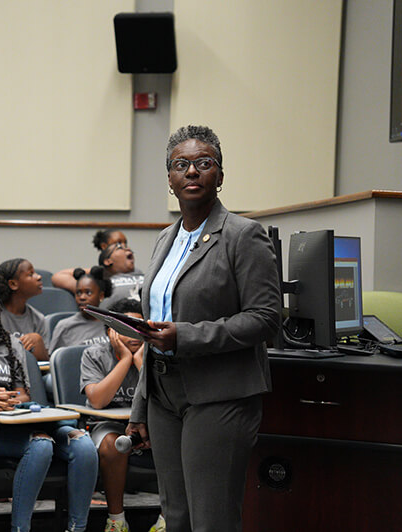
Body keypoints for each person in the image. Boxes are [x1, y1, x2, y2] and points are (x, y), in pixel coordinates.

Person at [126, 125, 281, 532]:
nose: (192, 171)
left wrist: (186, 336)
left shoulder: (243, 235)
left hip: (219, 394)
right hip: (163, 395)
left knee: (211, 520)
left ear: (220, 175)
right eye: (181, 165)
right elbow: (153, 330)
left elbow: (266, 318)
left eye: (204, 163)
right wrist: (140, 406)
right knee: (175, 517)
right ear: (170, 179)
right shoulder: (165, 238)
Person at [0, 266, 99, 532]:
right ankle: (20, 528)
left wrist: (7, 399)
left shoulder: (11, 343)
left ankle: (77, 528)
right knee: (41, 445)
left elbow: (24, 394)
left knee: (83, 444)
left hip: (16, 418)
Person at [80, 298, 165, 532]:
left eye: (139, 328)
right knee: (112, 444)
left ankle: (166, 520)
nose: (134, 334)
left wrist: (140, 362)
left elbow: (163, 397)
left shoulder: (157, 354)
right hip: (108, 424)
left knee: (176, 439)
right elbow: (98, 400)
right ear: (112, 331)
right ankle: (116, 520)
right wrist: (125, 360)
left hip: (152, 424)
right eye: (127, 328)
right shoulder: (94, 354)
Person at [0, 258, 50, 361]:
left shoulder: (38, 318)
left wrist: (39, 345)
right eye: (31, 274)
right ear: (13, 284)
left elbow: (45, 364)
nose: (39, 277)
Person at [48, 267, 112, 353]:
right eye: (78, 293)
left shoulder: (112, 323)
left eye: (88, 293)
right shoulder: (65, 326)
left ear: (101, 296)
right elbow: (55, 357)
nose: (82, 297)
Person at [51, 229, 129, 292]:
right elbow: (58, 277)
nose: (124, 247)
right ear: (104, 246)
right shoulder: (97, 277)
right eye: (118, 243)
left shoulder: (134, 272)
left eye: (125, 243)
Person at [97, 242, 144, 310]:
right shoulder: (105, 283)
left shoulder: (146, 277)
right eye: (120, 247)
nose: (128, 249)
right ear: (108, 261)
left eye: (127, 247)